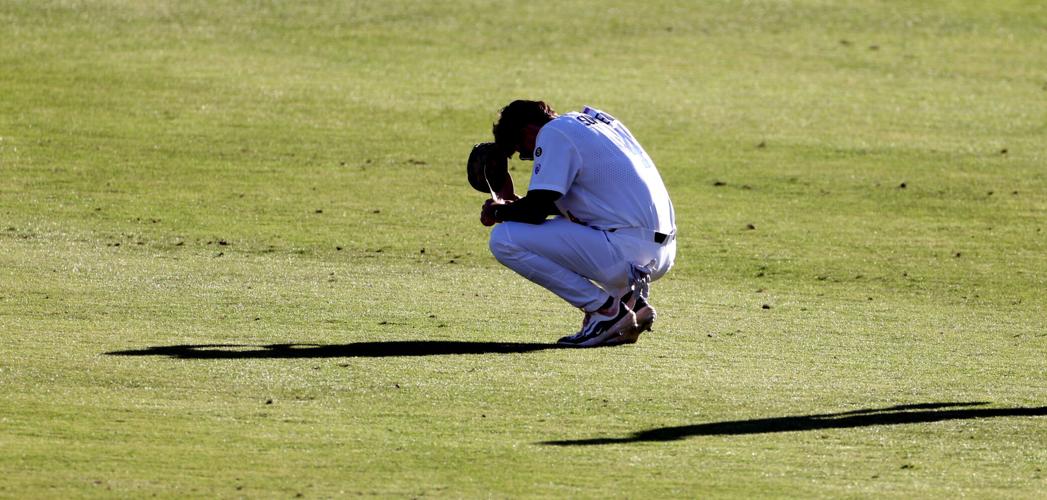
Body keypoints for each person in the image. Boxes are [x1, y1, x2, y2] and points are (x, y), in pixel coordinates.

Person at [471, 100, 676, 347]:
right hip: (657, 253)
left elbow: (535, 211)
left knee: (505, 239)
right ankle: (631, 302)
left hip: (626, 252)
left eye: (520, 150)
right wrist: (514, 206)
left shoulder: (553, 133)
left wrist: (498, 213)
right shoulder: (595, 123)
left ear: (527, 131)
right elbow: (571, 202)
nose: (527, 158)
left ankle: (606, 312)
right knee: (565, 224)